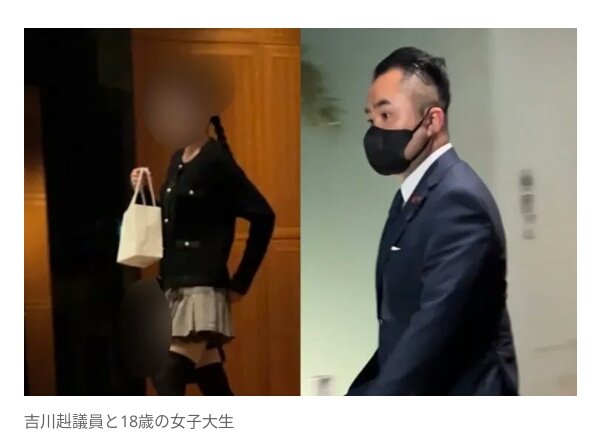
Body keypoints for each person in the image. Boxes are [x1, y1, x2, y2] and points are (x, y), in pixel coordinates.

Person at [347, 47, 518, 395]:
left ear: (432, 121)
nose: (376, 132)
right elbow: (402, 329)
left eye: (386, 115)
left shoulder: (458, 203)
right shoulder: (413, 196)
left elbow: (432, 330)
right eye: (371, 120)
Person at [131, 79, 275, 395]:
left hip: (201, 288)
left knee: (167, 374)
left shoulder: (216, 161)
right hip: (174, 285)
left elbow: (264, 215)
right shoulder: (177, 159)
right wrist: (144, 192)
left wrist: (241, 281)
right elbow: (172, 223)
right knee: (212, 383)